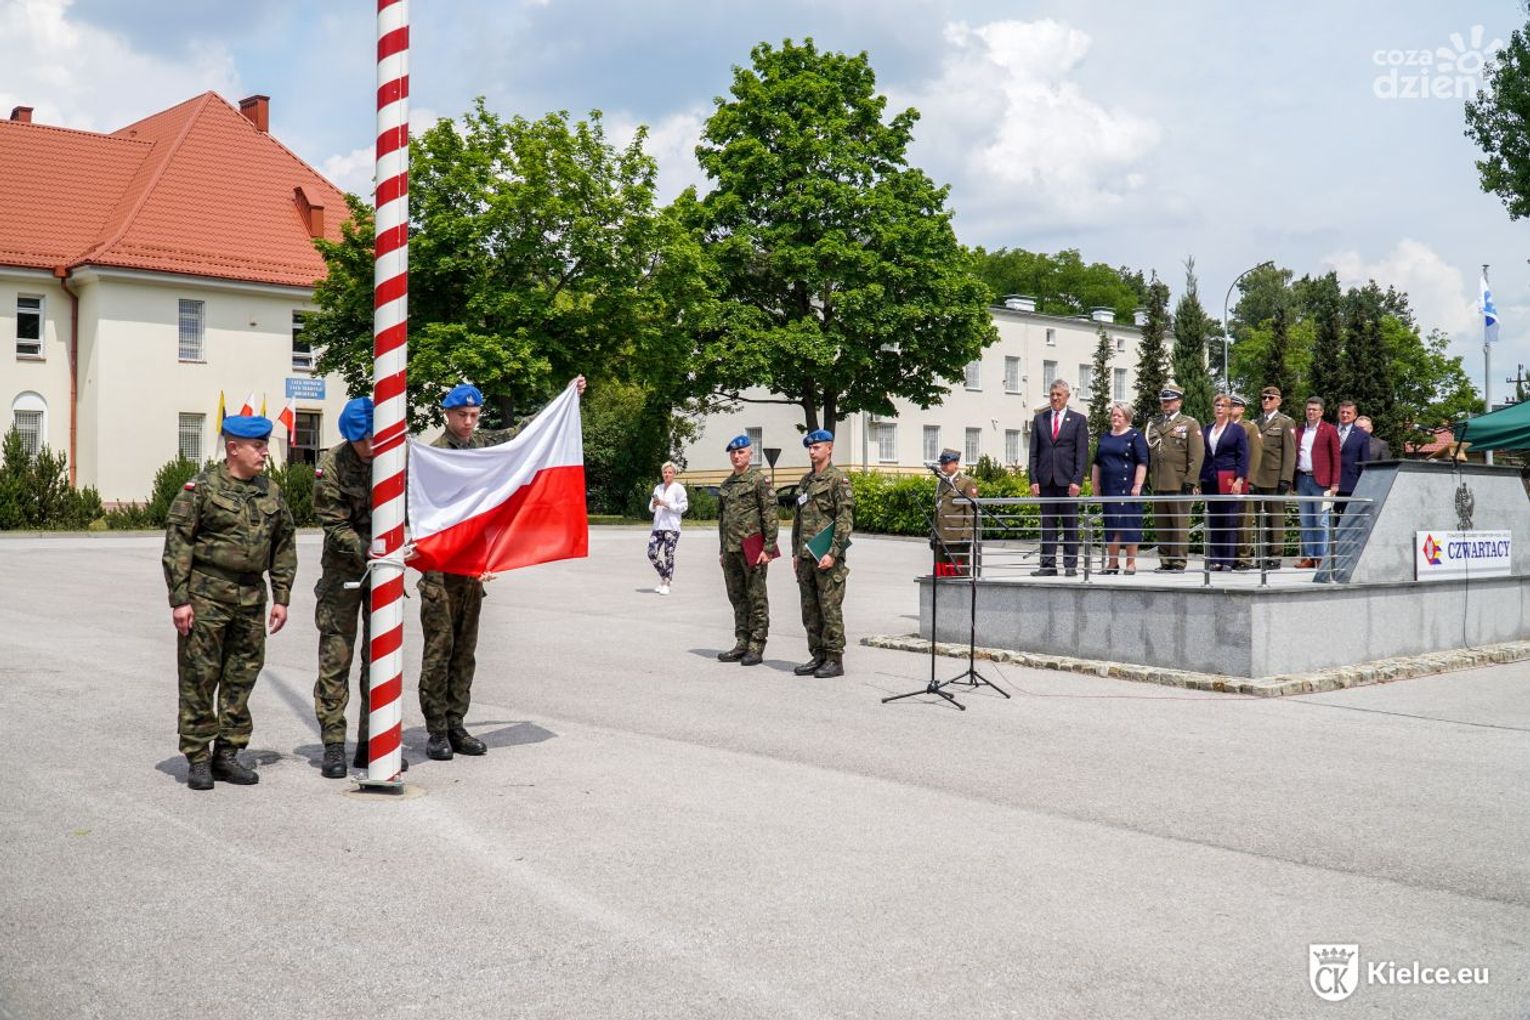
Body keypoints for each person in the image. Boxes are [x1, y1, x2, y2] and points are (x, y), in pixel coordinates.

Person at [417, 377, 586, 762]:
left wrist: (565, 397)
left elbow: (522, 434)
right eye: (462, 415)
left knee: (465, 653)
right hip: (440, 573)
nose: (468, 422)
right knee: (439, 653)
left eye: (474, 415)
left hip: (472, 572)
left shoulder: (484, 447)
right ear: (447, 415)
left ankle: (457, 723)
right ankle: (437, 730)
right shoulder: (435, 455)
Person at [161, 414, 297, 791]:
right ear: (233, 448)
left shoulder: (270, 492)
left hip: (252, 598)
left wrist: (282, 596)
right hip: (207, 595)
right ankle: (198, 757)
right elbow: (178, 545)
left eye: (266, 445)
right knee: (199, 676)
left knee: (242, 675)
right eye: (258, 446)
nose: (265, 452)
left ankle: (227, 753)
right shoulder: (201, 489)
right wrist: (180, 599)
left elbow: (284, 545)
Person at [312, 398, 408, 779]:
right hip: (343, 571)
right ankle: (334, 744)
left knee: (379, 656)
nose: (370, 446)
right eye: (362, 440)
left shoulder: (393, 458)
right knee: (336, 657)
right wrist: (366, 548)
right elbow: (333, 524)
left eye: (374, 437)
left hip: (384, 568)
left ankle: (373, 742)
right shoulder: (331, 465)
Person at [791, 429, 855, 678]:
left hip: (827, 556)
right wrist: (796, 553)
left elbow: (844, 521)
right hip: (806, 555)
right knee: (810, 610)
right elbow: (798, 520)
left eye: (817, 447)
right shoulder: (806, 481)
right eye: (810, 447)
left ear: (829, 448)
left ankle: (834, 659)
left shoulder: (839, 480)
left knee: (830, 609)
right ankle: (817, 655)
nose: (812, 451)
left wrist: (833, 552)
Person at [717, 434, 778, 666]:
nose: (736, 456)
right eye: (733, 453)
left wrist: (768, 548)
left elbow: (770, 516)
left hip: (752, 548)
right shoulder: (726, 485)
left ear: (750, 454)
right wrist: (722, 549)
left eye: (741, 452)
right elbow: (722, 520)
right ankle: (742, 641)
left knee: (756, 597)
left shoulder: (759, 481)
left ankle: (756, 645)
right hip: (731, 549)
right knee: (737, 597)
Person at [1027, 379, 1089, 577]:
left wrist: (1077, 480)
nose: (1054, 398)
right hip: (1046, 481)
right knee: (1047, 525)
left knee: (1070, 524)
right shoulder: (1040, 420)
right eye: (1052, 394)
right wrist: (1033, 479)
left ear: (1067, 397)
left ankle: (1070, 566)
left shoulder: (1078, 420)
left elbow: (1082, 454)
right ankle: (1047, 565)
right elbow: (1033, 453)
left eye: (1058, 395)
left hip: (1068, 481)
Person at [1146, 382, 1205, 572]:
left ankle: (1178, 561)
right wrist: (1147, 478)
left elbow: (1196, 455)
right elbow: (1149, 453)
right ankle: (1165, 560)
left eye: (1170, 400)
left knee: (1180, 524)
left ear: (1179, 402)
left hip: (1179, 482)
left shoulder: (1189, 423)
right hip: (1159, 481)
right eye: (1164, 400)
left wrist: (1191, 480)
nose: (1166, 404)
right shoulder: (1154, 424)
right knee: (1162, 524)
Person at [1090, 402, 1149, 574]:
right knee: (1111, 525)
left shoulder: (1135, 436)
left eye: (1119, 415)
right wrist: (1095, 486)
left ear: (1127, 418)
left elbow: (1142, 462)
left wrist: (1137, 484)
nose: (1115, 418)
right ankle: (1112, 563)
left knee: (1130, 524)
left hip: (1129, 488)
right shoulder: (1105, 437)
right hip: (1109, 488)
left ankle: (1131, 563)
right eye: (1113, 415)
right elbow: (1097, 463)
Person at [1199, 394, 1251, 571]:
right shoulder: (1207, 428)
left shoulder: (1237, 430)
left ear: (1229, 410)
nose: (1219, 408)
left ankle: (1228, 560)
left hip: (1229, 478)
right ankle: (1215, 559)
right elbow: (1204, 455)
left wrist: (1240, 478)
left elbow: (1243, 456)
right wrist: (1199, 479)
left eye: (1223, 405)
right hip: (1210, 479)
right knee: (1213, 519)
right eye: (1217, 405)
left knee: (1229, 519)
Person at [1250, 386, 1297, 569]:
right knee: (1260, 519)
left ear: (1279, 401)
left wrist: (1286, 478)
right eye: (1264, 398)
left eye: (1270, 398)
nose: (1266, 401)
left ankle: (1275, 556)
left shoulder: (1285, 422)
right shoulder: (1256, 422)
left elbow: (1290, 453)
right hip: (1257, 478)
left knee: (1276, 518)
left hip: (1275, 477)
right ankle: (1261, 555)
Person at [1291, 396, 1341, 569]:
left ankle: (1322, 558)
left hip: (1322, 482)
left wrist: (1335, 483)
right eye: (1309, 409)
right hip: (1302, 479)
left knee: (1321, 521)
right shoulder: (1299, 430)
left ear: (1321, 412)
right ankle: (1310, 557)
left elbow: (1336, 458)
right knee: (1306, 520)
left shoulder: (1330, 430)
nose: (1311, 412)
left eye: (1314, 409)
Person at [1228, 394, 1264, 571]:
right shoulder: (1222, 426)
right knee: (1228, 519)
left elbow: (1255, 455)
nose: (1231, 408)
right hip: (1225, 480)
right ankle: (1229, 556)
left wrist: (1250, 480)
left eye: (1234, 406)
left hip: (1243, 480)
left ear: (1242, 409)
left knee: (1243, 520)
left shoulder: (1249, 427)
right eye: (1229, 405)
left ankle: (1244, 558)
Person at [933, 448, 979, 576]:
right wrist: (933, 534)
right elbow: (938, 510)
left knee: (959, 574)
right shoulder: (941, 482)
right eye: (942, 463)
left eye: (946, 463)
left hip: (957, 538)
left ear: (956, 463)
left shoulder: (967, 482)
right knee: (941, 574)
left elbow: (971, 512)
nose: (943, 466)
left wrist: (967, 535)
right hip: (941, 537)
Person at [647, 461, 688, 595]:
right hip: (658, 526)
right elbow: (651, 508)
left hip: (672, 527)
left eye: (670, 472)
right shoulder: (658, 488)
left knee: (668, 555)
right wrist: (654, 504)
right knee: (651, 553)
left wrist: (667, 504)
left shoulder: (678, 488)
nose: (667, 474)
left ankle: (667, 583)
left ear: (674, 474)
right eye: (665, 472)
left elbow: (684, 507)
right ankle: (665, 577)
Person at [1334, 400, 1370, 519]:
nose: (1345, 415)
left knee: (1348, 520)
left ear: (1355, 415)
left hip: (1350, 485)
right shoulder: (1329, 431)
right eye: (1342, 412)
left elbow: (1365, 463)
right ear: (1338, 413)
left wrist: (1364, 485)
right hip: (1328, 485)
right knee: (1327, 520)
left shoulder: (1362, 435)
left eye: (1348, 412)